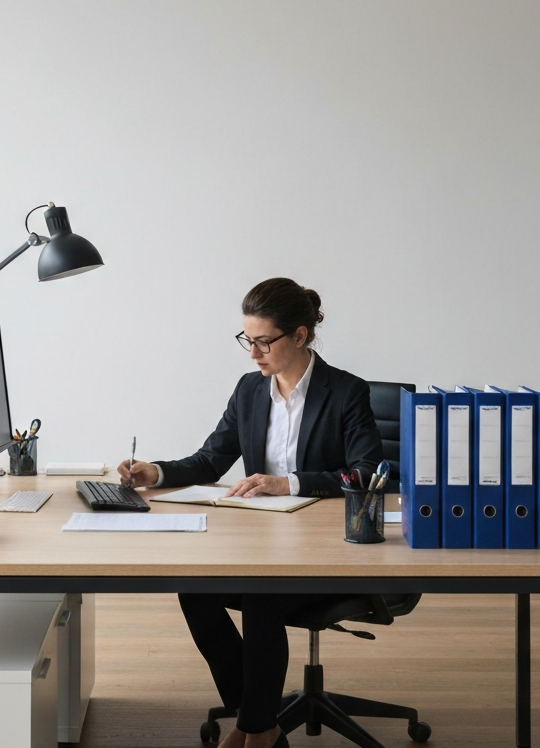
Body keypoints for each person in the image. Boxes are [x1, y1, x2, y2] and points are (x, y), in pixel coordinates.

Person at [119, 277, 383, 748]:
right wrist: (153, 472)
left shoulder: (346, 392)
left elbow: (364, 473)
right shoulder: (248, 391)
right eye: (248, 341)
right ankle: (258, 721)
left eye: (263, 342)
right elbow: (208, 460)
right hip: (264, 545)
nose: (254, 353)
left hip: (329, 553)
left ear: (299, 336)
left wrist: (290, 483)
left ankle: (255, 732)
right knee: (194, 591)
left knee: (262, 596)